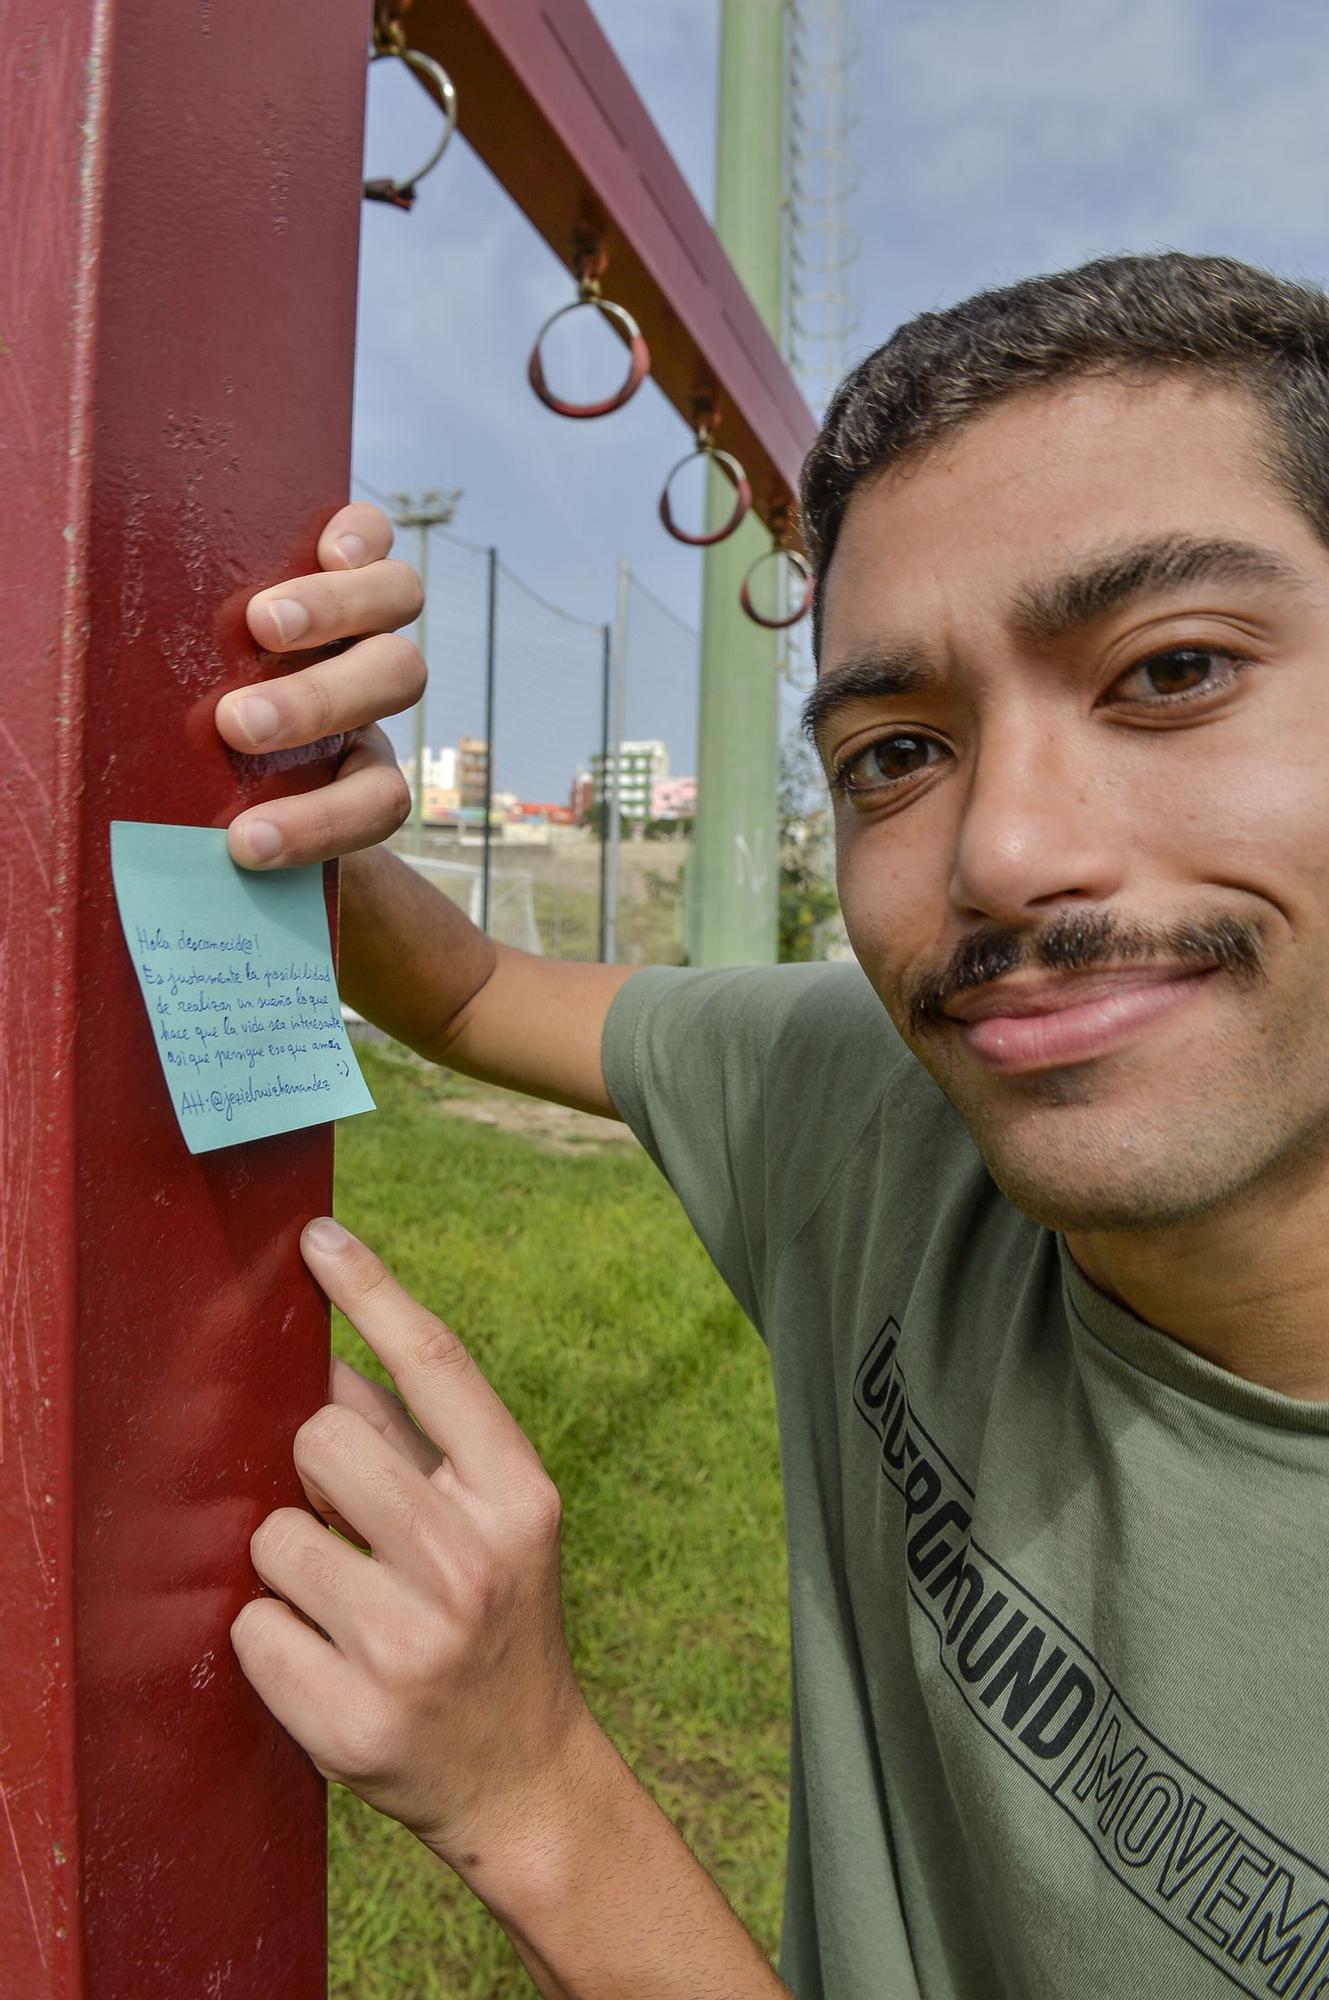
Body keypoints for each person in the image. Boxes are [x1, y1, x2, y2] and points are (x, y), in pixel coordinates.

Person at [220, 251, 1329, 1999]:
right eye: (896, 751)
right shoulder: (888, 1106)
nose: (1003, 856)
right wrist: (270, 761)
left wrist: (536, 1797)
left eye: (1171, 669)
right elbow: (462, 989)